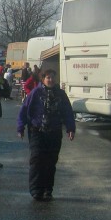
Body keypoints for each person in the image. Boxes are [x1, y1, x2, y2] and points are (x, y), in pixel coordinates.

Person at [17, 69, 76, 201]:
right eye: (48, 77)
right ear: (43, 79)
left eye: (53, 77)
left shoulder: (60, 94)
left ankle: (47, 190)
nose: (51, 80)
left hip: (54, 132)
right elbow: (24, 110)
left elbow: (67, 112)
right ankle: (36, 190)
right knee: (37, 160)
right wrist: (20, 127)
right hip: (37, 131)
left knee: (50, 162)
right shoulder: (35, 93)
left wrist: (70, 128)